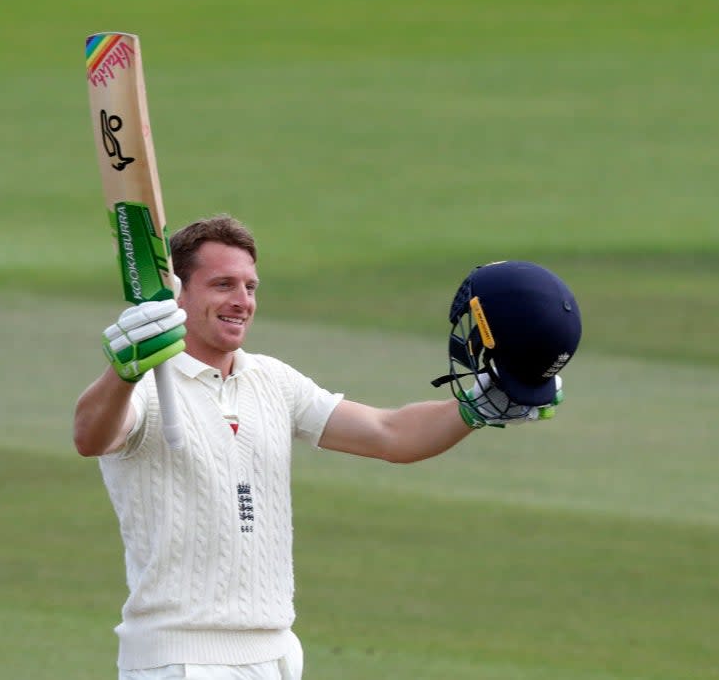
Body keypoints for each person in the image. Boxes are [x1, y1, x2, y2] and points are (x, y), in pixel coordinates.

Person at [73, 215, 581, 679]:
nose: (242, 300)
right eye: (222, 284)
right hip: (178, 660)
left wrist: (473, 409)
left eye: (250, 287)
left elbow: (388, 434)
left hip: (275, 654)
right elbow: (91, 436)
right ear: (176, 293)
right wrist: (123, 371)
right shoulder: (146, 387)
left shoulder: (271, 380)